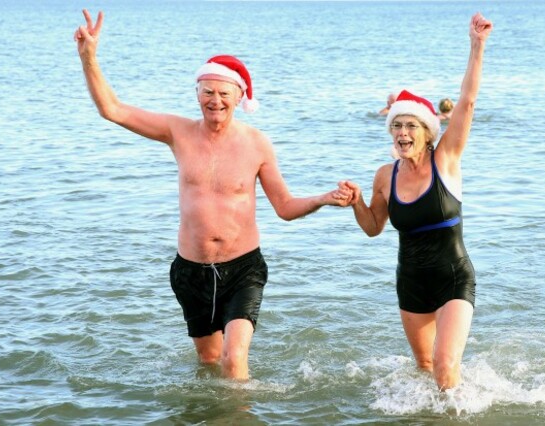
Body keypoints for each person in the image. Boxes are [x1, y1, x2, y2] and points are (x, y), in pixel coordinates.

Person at [74, 9, 352, 381]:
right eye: (207, 92)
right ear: (197, 94)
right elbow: (113, 109)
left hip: (243, 268)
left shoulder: (257, 144)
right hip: (191, 271)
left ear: (239, 96)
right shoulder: (178, 132)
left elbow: (284, 208)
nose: (215, 100)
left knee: (233, 362)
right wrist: (89, 57)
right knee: (209, 363)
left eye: (223, 93)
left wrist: (322, 198)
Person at [340, 13, 492, 390]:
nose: (402, 132)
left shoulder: (446, 160)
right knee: (424, 366)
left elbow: (468, 102)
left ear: (427, 132)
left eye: (411, 125)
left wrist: (477, 46)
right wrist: (357, 202)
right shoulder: (384, 176)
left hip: (453, 276)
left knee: (444, 366)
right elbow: (374, 227)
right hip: (411, 281)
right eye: (397, 125)